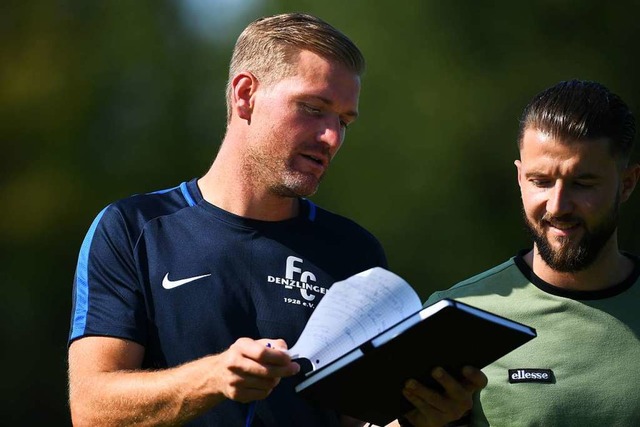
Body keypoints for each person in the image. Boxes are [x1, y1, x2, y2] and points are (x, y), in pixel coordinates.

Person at [67, 12, 485, 427]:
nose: (333, 137)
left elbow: (358, 421)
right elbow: (91, 410)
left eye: (343, 120)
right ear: (245, 94)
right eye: (313, 108)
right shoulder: (133, 228)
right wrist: (212, 378)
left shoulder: (354, 252)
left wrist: (426, 420)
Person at [404, 79, 640, 426]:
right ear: (519, 178)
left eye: (583, 184)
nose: (558, 206)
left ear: (627, 184)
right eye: (541, 181)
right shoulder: (455, 317)